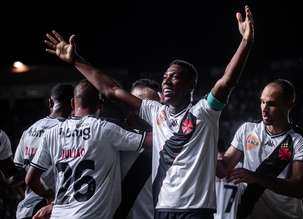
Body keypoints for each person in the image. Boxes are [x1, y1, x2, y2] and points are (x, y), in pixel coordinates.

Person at [44, 5, 254, 218]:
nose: (166, 80)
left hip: (195, 211)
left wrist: (245, 42)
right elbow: (112, 90)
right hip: (161, 210)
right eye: (164, 76)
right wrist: (76, 60)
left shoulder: (204, 113)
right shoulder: (156, 112)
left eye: (174, 76)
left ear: (190, 85)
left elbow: (227, 81)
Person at [25, 80, 152, 219]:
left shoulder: (51, 133)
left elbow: (30, 179)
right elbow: (150, 141)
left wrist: (50, 198)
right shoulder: (105, 129)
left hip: (59, 214)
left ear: (73, 103)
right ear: (101, 105)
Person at [216, 79, 303, 219]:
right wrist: (201, 150)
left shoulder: (301, 140)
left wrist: (256, 178)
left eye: (271, 104)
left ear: (289, 105)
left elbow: (298, 189)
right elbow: (224, 168)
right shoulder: (247, 130)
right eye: (262, 102)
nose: (264, 108)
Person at [14, 83, 74, 219]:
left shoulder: (29, 130)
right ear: (73, 103)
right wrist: (48, 196)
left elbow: (15, 176)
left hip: (27, 210)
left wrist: (32, 196)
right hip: (54, 209)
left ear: (50, 102)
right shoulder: (69, 132)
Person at [114, 78, 161, 219]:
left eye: (151, 106)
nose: (142, 110)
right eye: (137, 103)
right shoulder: (108, 137)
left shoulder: (166, 144)